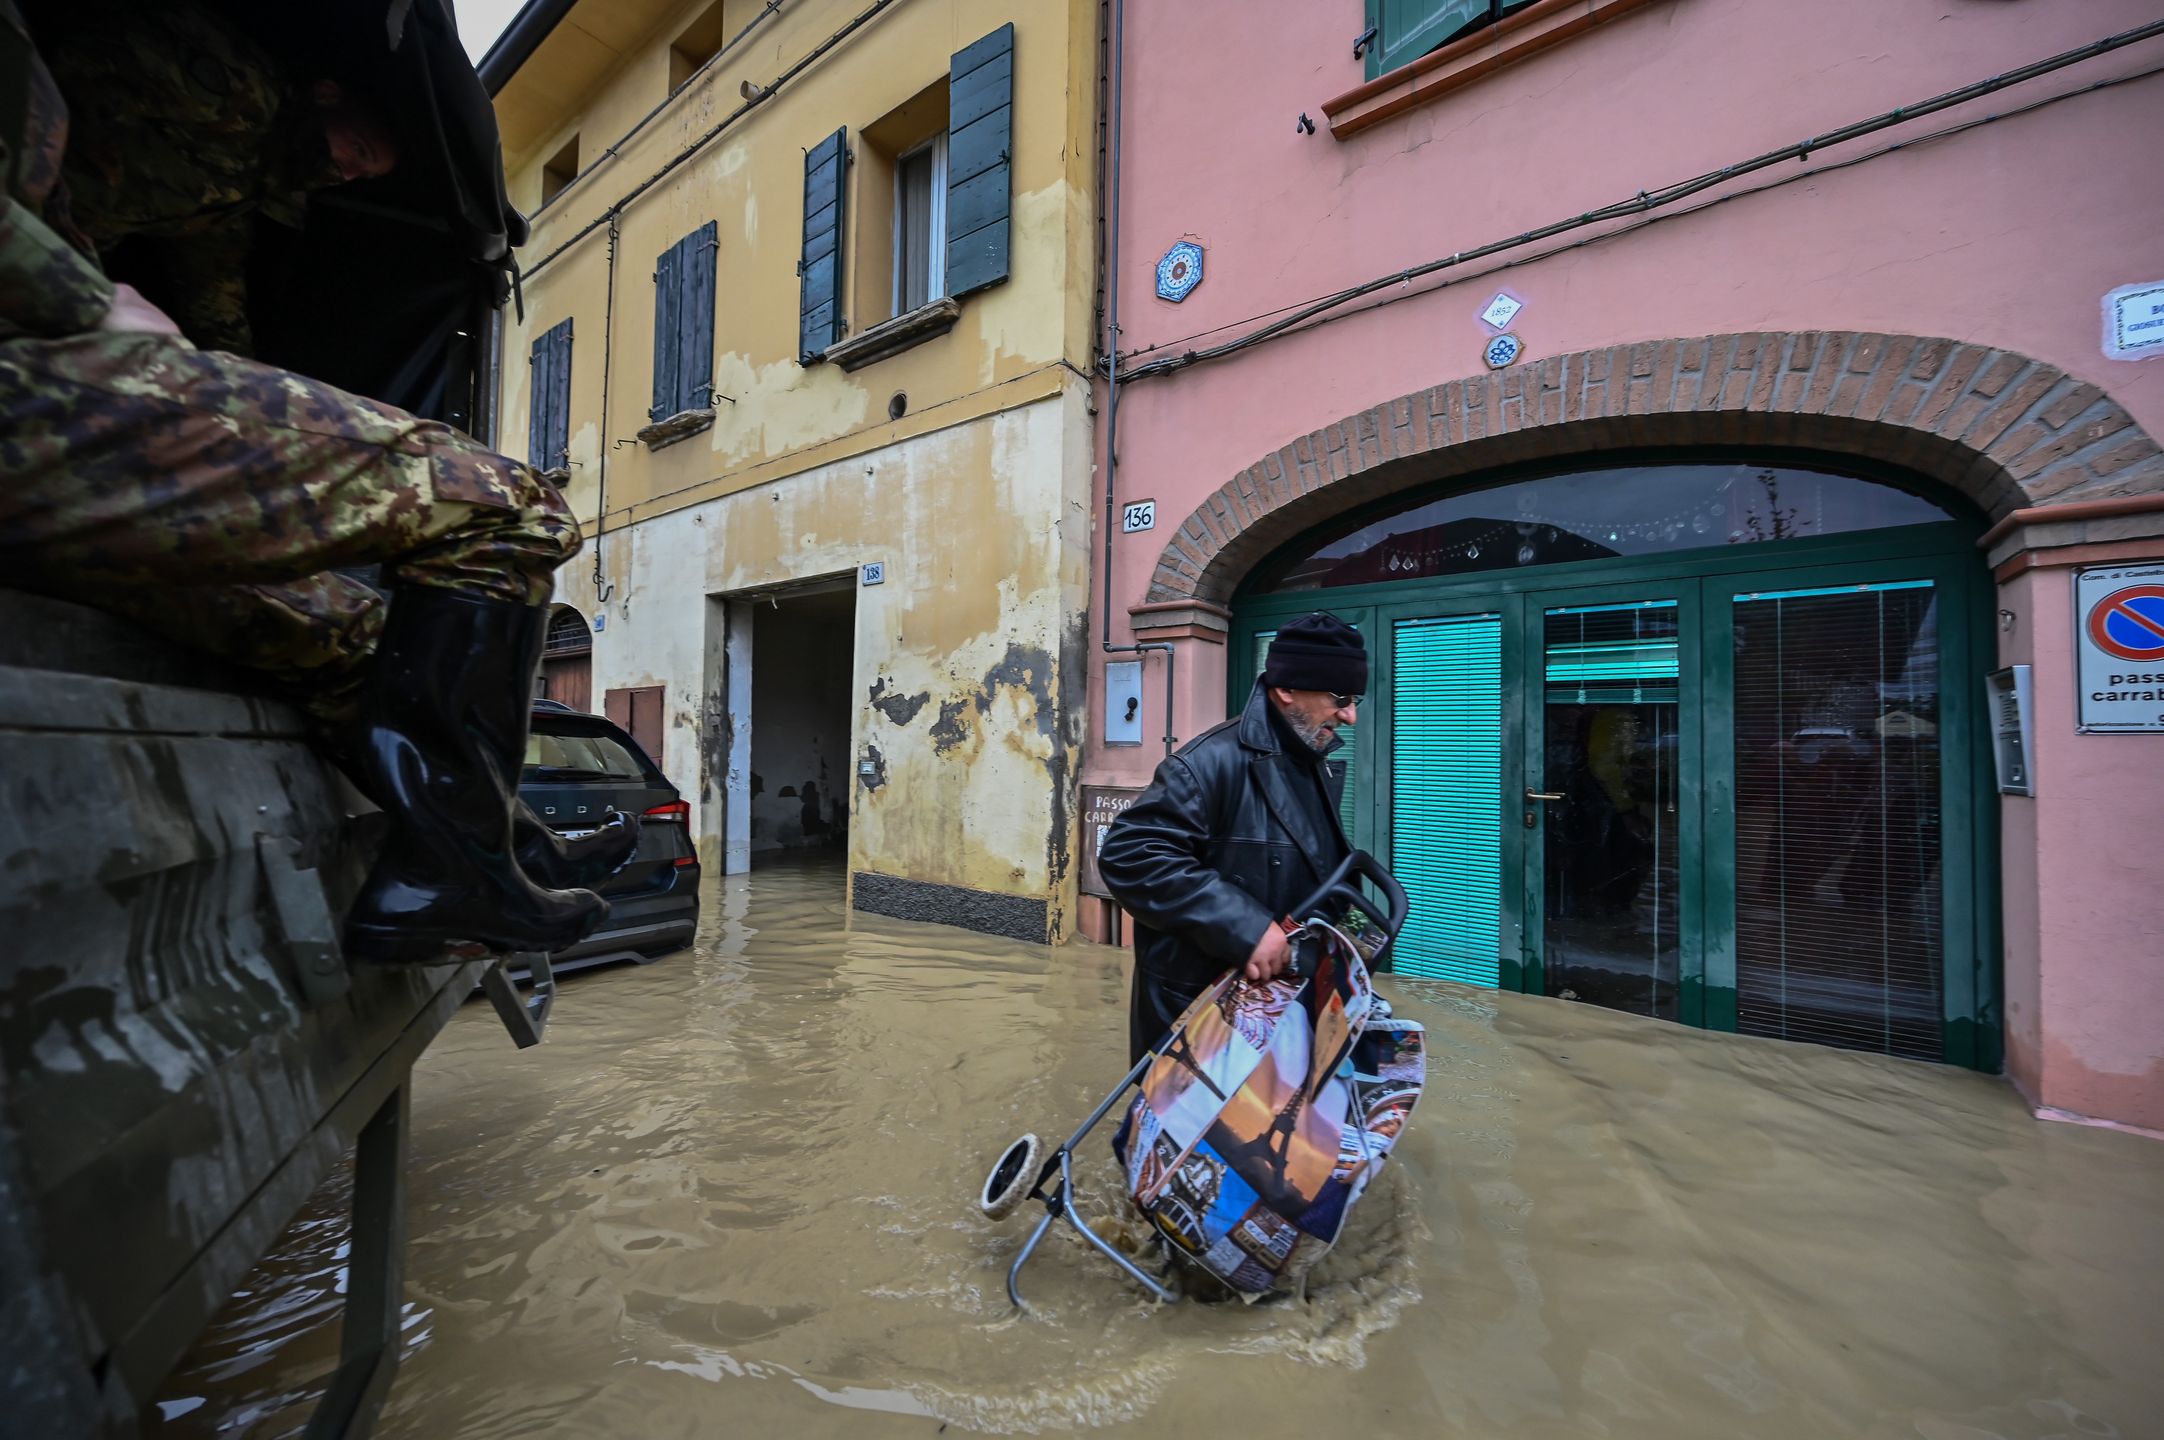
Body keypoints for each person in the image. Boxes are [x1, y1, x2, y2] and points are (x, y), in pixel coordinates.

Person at [0, 0, 624, 961]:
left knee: (355, 634)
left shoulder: (245, 195)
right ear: (325, 96)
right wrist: (82, 297)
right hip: (35, 376)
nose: (355, 168)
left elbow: (215, 327)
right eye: (360, 145)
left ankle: (495, 851)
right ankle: (452, 880)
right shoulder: (215, 83)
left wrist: (248, 422)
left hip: (61, 430)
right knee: (509, 505)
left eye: (373, 169)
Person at [1097, 612, 1366, 1065]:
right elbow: (1130, 856)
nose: (1350, 715)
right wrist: (1246, 927)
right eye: (1339, 697)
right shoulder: (1204, 764)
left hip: (1274, 1005)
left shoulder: (1311, 759)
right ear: (1287, 689)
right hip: (1205, 1017)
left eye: (1355, 698)